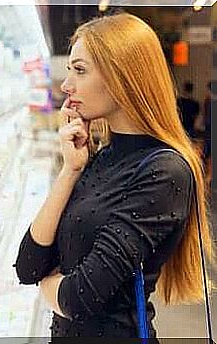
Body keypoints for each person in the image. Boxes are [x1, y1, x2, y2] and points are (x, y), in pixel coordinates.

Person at [14, 12, 213, 339]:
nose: (66, 85)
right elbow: (27, 265)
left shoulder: (163, 171)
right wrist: (70, 170)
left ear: (123, 76)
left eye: (79, 70)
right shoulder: (99, 156)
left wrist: (46, 283)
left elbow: (77, 297)